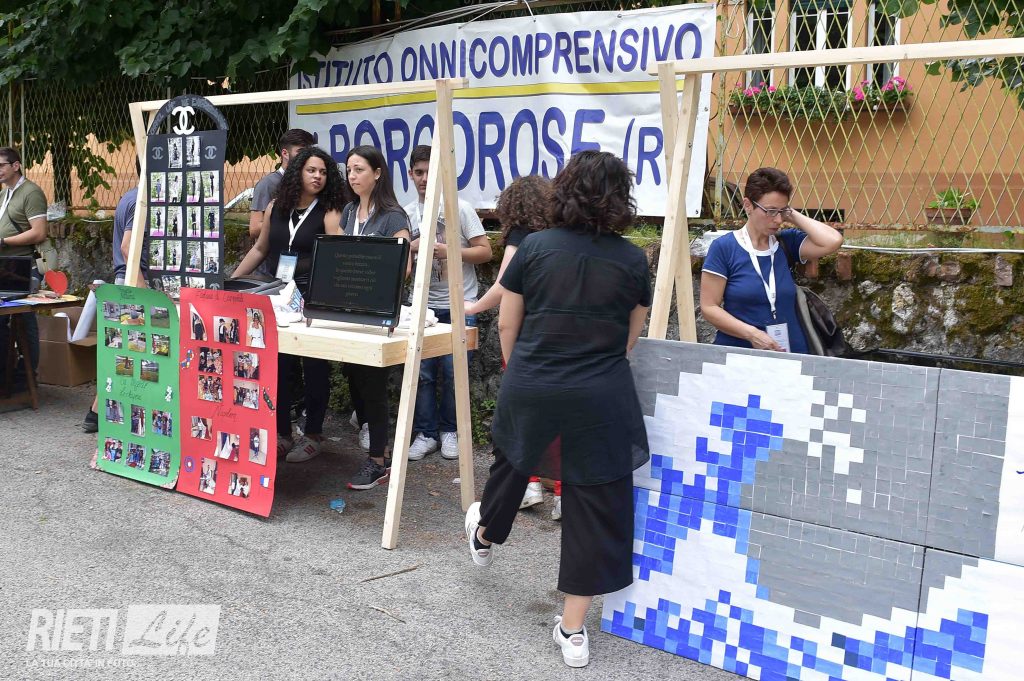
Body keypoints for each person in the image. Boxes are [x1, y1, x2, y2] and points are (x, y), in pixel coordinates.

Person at [464, 151, 652, 668]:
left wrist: (521, 371)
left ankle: (485, 532)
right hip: (600, 390)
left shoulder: (536, 247)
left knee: (514, 459)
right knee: (594, 501)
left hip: (535, 379)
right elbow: (631, 335)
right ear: (621, 198)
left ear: (564, 190)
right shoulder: (633, 259)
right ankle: (572, 631)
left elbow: (508, 324)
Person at [232, 146, 348, 463]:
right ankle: (282, 433)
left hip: (312, 296)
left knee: (314, 366)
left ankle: (313, 435)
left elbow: (337, 254)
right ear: (297, 172)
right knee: (278, 365)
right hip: (278, 294)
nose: (318, 177)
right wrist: (232, 282)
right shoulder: (275, 207)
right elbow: (260, 249)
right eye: (311, 170)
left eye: (323, 172)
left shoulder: (329, 210)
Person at [465, 175, 563, 519]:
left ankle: (529, 484)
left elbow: (504, 284)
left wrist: (473, 307)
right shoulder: (558, 236)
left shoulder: (521, 236)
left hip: (524, 336)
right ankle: (562, 492)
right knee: (557, 417)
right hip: (555, 334)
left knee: (523, 415)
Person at [404, 145, 492, 462]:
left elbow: (485, 251)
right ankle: (426, 433)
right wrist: (410, 248)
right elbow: (399, 258)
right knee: (422, 374)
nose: (424, 179)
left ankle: (450, 431)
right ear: (410, 175)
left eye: (430, 172)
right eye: (419, 173)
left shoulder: (460, 208)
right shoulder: (407, 213)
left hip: (459, 304)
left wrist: (450, 251)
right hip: (420, 305)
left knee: (455, 373)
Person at [700, 167, 843, 354]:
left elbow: (833, 241)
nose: (778, 220)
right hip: (741, 354)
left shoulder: (786, 243)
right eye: (770, 211)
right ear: (748, 205)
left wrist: (791, 213)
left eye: (782, 211)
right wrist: (752, 334)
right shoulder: (725, 248)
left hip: (789, 353)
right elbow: (709, 307)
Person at [340, 145, 412, 491]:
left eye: (359, 170)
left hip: (379, 311)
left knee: (373, 383)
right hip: (350, 308)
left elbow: (405, 266)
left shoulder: (393, 216)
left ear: (378, 173)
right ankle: (377, 449)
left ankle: (378, 460)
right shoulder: (349, 211)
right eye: (349, 170)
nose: (352, 176)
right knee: (354, 375)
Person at [83, 181, 146, 432]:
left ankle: (97, 413)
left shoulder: (129, 197)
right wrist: (145, 291)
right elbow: (127, 247)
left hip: (126, 282)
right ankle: (99, 413)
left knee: (126, 351)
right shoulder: (141, 201)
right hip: (133, 284)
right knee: (131, 351)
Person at [0, 147, 49, 390]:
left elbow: (39, 232)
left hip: (24, 265)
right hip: (5, 265)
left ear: (16, 166)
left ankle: (26, 376)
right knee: (3, 320)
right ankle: (7, 374)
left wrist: (3, 241)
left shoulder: (31, 192)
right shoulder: (4, 193)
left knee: (25, 318)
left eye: (1, 165)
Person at [248, 129, 314, 277]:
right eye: (300, 152)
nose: (306, 157)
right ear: (285, 153)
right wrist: (285, 223)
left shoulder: (310, 183)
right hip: (267, 271)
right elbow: (254, 228)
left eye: (308, 152)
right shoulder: (268, 184)